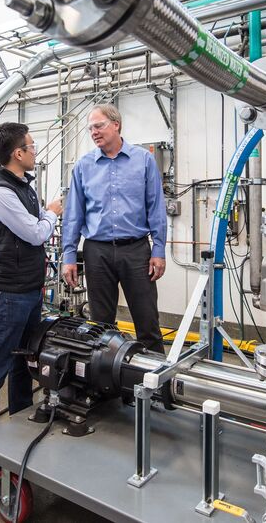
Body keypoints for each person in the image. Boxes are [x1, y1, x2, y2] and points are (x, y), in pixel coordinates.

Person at [0, 122, 62, 485]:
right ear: (17, 154)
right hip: (8, 295)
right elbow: (37, 232)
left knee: (25, 363)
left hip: (29, 290)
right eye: (31, 146)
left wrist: (43, 214)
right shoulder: (0, 193)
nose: (35, 151)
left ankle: (22, 426)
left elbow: (34, 231)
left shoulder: (24, 188)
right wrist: (52, 212)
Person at [61, 104, 167, 353]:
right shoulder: (83, 166)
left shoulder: (143, 160)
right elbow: (74, 215)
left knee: (147, 321)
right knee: (100, 325)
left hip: (136, 250)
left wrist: (159, 250)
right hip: (97, 252)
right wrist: (68, 256)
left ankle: (155, 385)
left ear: (116, 124)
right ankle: (106, 386)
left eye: (99, 126)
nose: (94, 132)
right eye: (90, 128)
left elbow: (156, 208)